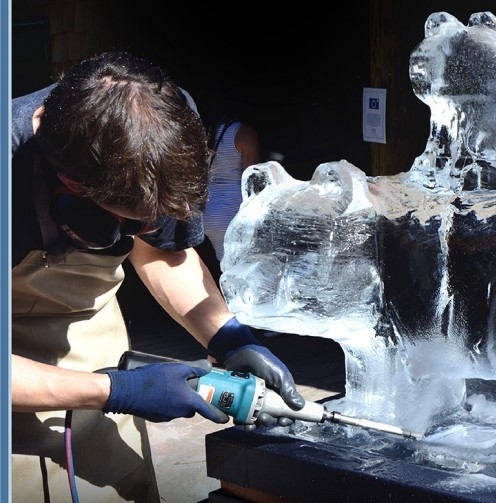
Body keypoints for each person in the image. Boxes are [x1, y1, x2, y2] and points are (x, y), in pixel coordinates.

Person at [11, 51, 305, 503]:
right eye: (133, 221)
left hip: (93, 335)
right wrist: (116, 390)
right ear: (71, 185)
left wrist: (229, 339)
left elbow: (165, 254)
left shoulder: (160, 124)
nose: (146, 230)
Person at [203, 120, 262, 263]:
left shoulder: (201, 130)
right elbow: (252, 180)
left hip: (206, 209)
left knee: (225, 267)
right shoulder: (243, 133)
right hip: (233, 210)